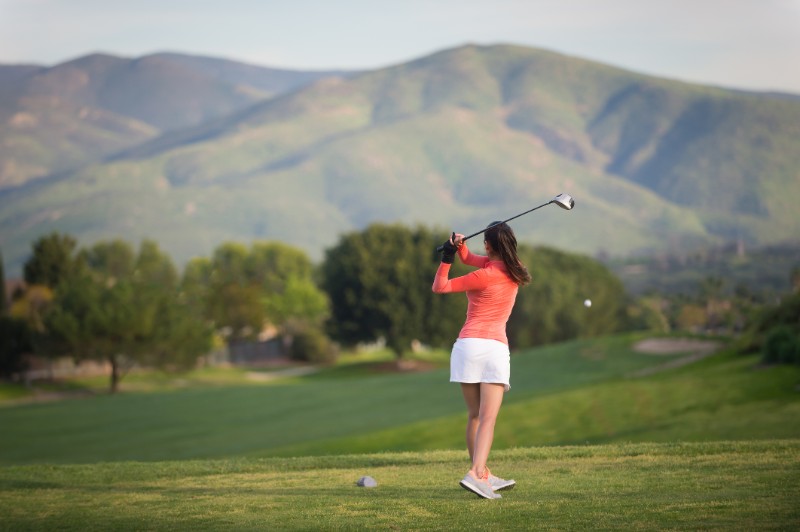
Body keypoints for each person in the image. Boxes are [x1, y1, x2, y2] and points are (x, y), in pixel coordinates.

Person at [432, 222, 531, 499]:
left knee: (475, 415)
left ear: (488, 245)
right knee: (488, 417)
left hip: (468, 347)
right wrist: (461, 249)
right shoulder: (515, 268)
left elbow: (439, 287)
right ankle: (477, 474)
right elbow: (473, 258)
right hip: (495, 349)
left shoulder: (482, 275)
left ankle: (481, 473)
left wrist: (447, 256)